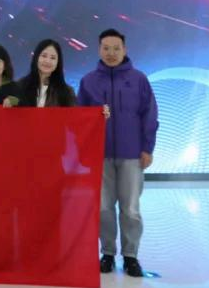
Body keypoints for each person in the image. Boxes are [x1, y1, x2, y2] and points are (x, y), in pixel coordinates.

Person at [77, 29, 158, 278]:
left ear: (125, 50)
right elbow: (80, 119)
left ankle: (131, 256)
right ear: (99, 50)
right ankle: (108, 253)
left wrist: (147, 148)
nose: (111, 53)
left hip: (132, 154)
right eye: (106, 48)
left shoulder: (139, 79)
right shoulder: (88, 81)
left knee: (130, 208)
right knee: (103, 208)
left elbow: (150, 115)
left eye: (116, 48)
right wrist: (84, 151)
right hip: (99, 155)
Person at [17, 39, 77, 108]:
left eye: (53, 58)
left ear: (58, 62)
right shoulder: (20, 86)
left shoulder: (67, 92)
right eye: (44, 56)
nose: (48, 61)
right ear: (36, 57)